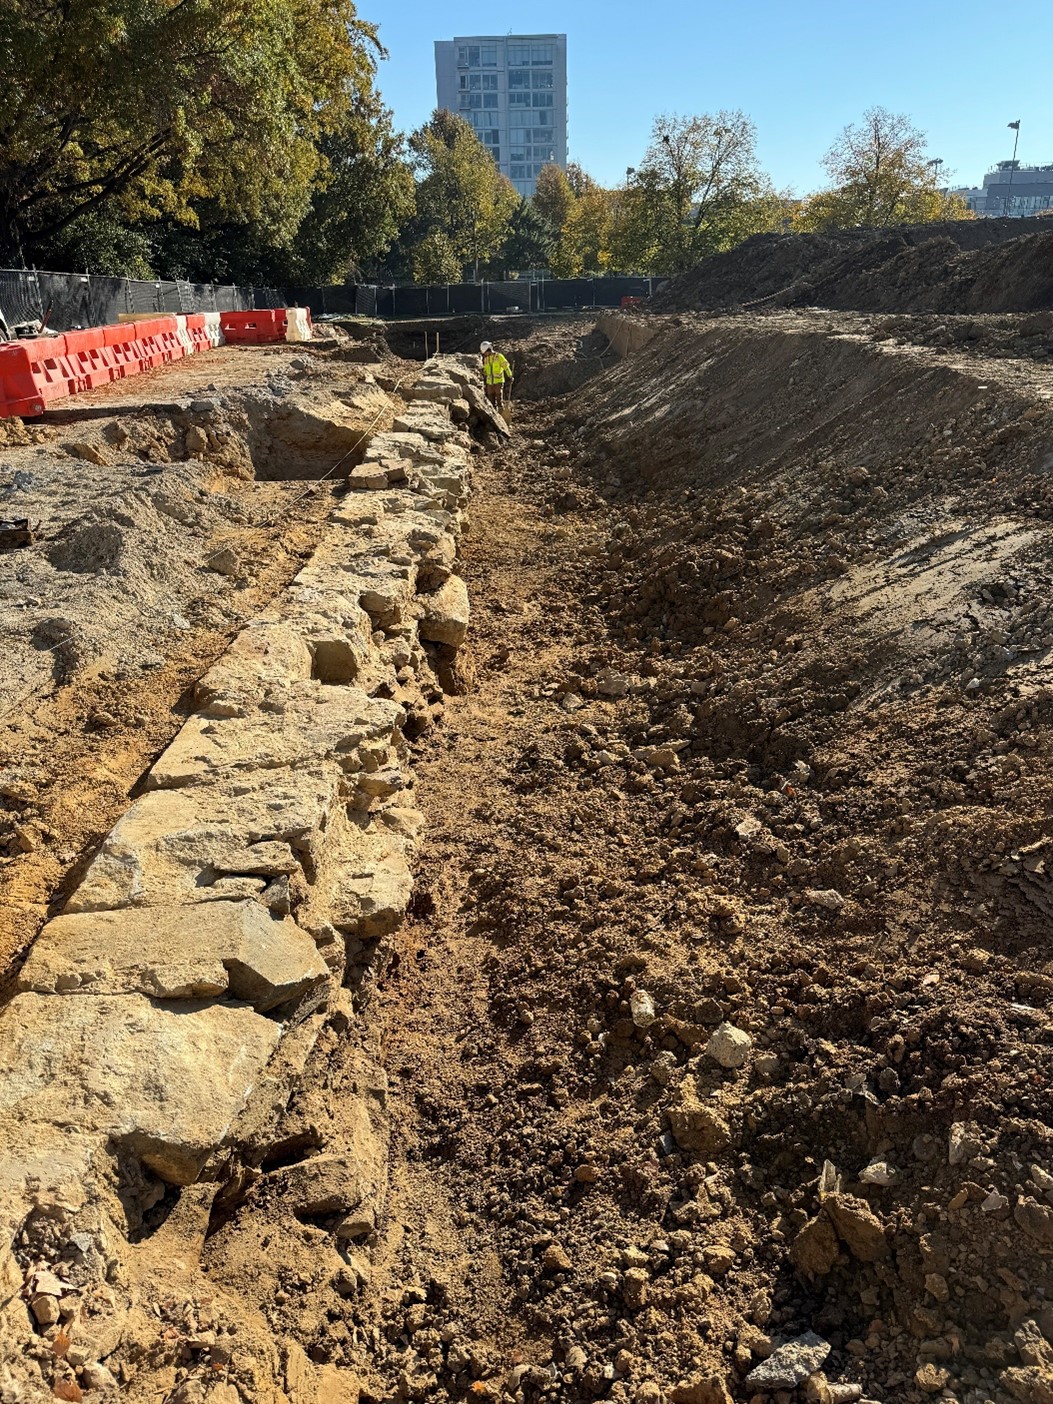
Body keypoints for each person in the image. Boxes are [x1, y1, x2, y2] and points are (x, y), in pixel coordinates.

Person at [480, 340, 513, 410]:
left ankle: (501, 409)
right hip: (489, 382)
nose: (485, 354)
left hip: (498, 380)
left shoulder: (499, 356)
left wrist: (510, 376)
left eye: (485, 352)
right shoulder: (485, 360)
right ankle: (493, 411)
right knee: (490, 397)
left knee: (498, 396)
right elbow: (486, 371)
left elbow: (506, 367)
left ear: (488, 350)